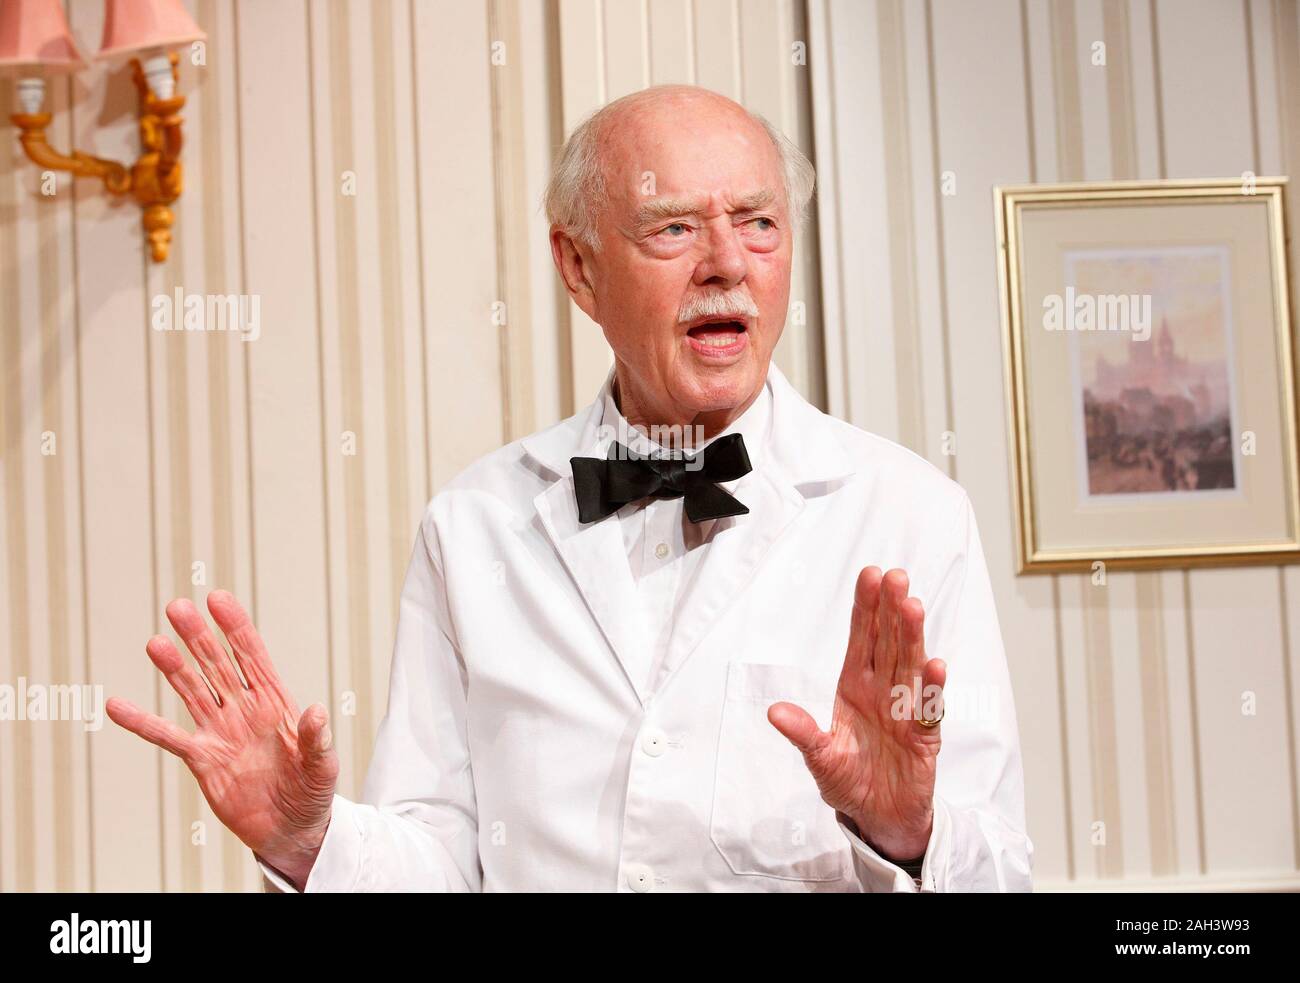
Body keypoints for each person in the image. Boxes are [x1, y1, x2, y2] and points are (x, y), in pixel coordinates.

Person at [107, 84, 1033, 892]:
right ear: (579, 268)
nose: (727, 262)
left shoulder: (912, 515)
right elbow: (440, 859)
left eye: (759, 222)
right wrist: (309, 841)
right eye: (674, 226)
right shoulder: (472, 527)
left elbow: (999, 871)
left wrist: (905, 832)